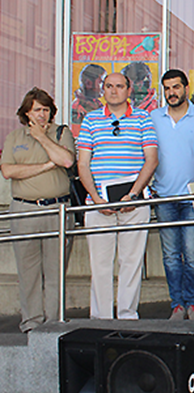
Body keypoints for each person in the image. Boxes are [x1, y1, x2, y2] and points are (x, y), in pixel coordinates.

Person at [77, 72, 158, 320]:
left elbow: (151, 160)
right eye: (109, 86)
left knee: (131, 263)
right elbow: (83, 164)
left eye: (119, 86)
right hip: (98, 203)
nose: (114, 91)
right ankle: (101, 318)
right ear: (103, 90)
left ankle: (127, 316)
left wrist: (132, 195)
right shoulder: (90, 120)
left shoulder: (143, 118)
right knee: (100, 266)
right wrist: (96, 198)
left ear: (129, 90)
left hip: (133, 203)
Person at [1, 88, 75, 332]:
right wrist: (45, 165)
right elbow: (9, 172)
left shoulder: (61, 133)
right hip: (24, 210)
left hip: (57, 209)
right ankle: (31, 323)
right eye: (36, 110)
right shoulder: (14, 137)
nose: (42, 115)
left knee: (55, 273)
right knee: (29, 272)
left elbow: (65, 161)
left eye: (45, 110)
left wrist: (42, 137)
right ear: (26, 112)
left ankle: (54, 324)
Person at [151, 69, 194, 320]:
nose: (171, 93)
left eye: (176, 87)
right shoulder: (153, 117)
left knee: (193, 252)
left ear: (186, 88)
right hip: (164, 196)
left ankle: (193, 303)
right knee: (170, 255)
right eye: (167, 88)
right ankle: (177, 304)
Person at [71, 63, 106, 135]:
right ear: (88, 83)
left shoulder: (97, 103)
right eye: (101, 82)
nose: (104, 87)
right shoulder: (78, 107)